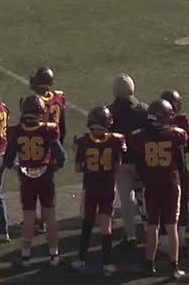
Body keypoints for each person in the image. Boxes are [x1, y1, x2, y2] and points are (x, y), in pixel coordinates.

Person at [131, 100, 188, 278]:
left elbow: (138, 163)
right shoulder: (177, 134)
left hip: (151, 185)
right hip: (171, 184)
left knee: (153, 225)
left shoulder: (139, 136)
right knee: (171, 226)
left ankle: (149, 263)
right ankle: (174, 266)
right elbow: (181, 163)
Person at [73, 106, 124, 274]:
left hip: (90, 187)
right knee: (105, 225)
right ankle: (107, 263)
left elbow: (78, 168)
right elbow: (117, 167)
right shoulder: (116, 140)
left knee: (87, 223)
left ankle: (81, 259)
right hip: (107, 188)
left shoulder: (83, 141)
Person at [107, 75, 147, 247]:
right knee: (144, 197)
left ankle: (130, 236)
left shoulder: (110, 112)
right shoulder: (144, 109)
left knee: (126, 200)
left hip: (122, 162)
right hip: (142, 161)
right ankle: (150, 229)